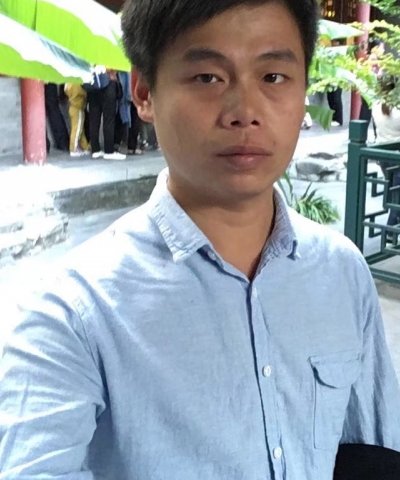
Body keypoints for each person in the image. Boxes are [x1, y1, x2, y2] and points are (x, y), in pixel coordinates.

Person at [1, 1, 399, 479]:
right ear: (144, 92)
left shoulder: (341, 272)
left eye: (273, 77)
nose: (245, 112)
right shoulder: (73, 312)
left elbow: (375, 452)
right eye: (208, 77)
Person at [372, 75, 400, 236]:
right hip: (396, 155)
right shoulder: (397, 107)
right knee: (397, 195)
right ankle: (391, 230)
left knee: (392, 191)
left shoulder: (376, 104)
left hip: (382, 153)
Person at [86, 67, 126, 161]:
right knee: (109, 119)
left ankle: (95, 150)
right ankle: (109, 151)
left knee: (94, 119)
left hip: (93, 83)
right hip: (108, 82)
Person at [359, 38, 385, 137]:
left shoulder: (372, 58)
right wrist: (380, 72)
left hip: (368, 89)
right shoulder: (373, 59)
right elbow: (374, 75)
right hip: (371, 90)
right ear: (376, 48)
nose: (383, 50)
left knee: (367, 113)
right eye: (382, 47)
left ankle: (362, 135)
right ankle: (374, 136)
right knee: (370, 113)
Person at [64, 83, 90, 157]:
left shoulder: (68, 83)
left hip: (73, 107)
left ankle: (85, 147)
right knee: (77, 129)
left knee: (80, 129)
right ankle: (73, 149)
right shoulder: (76, 84)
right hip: (78, 108)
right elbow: (82, 93)